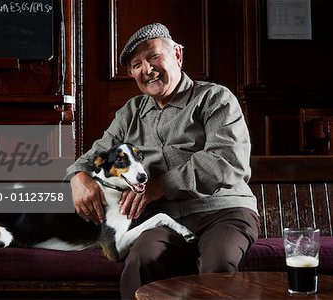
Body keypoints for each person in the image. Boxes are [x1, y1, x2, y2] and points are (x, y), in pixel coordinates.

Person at [67, 23, 260, 299]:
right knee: (142, 261)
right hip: (163, 221)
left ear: (177, 55)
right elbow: (95, 155)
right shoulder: (130, 113)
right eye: (137, 64)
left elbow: (227, 160)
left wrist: (161, 186)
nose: (147, 69)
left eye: (153, 56)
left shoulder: (215, 98)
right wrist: (78, 176)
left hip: (223, 212)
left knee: (216, 267)